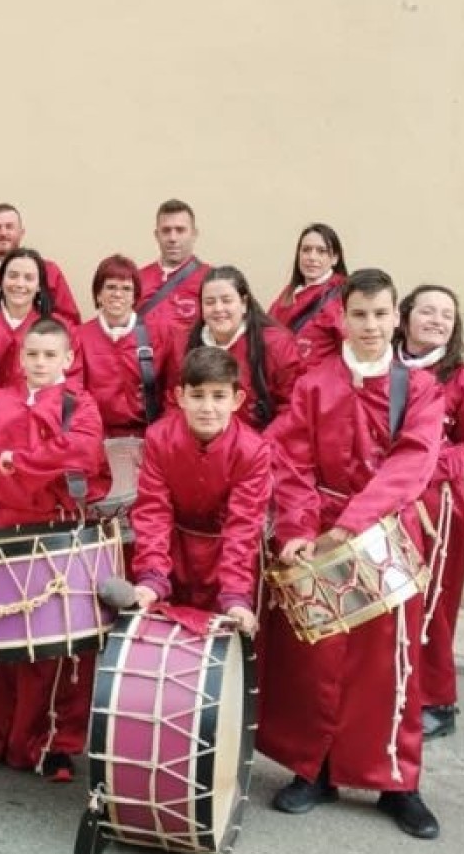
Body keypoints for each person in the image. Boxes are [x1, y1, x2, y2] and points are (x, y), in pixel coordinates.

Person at [260, 268, 445, 840]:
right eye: (358, 314)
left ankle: (397, 780)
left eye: (380, 314)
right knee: (318, 658)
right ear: (342, 316)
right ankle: (315, 770)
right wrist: (295, 526)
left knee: (390, 665)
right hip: (318, 534)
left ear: (397, 319)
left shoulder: (418, 389)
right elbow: (287, 459)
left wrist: (352, 523)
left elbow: (412, 462)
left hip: (382, 534)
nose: (369, 325)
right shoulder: (316, 385)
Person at [0, 318, 111, 781]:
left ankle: (55, 744)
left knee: (61, 648)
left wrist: (21, 462)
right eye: (32, 354)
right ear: (20, 358)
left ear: (68, 358)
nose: (40, 363)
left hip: (59, 536)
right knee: (0, 642)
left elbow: (79, 454)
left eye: (49, 355)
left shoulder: (81, 405)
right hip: (5, 532)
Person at [396, 284, 464, 740]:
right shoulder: (384, 365)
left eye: (447, 315)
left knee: (433, 605)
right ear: (405, 316)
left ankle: (438, 700)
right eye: (428, 311)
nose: (438, 320)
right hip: (386, 500)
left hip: (439, 509)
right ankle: (393, 691)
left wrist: (429, 467)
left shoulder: (461, 377)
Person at [130, 346, 270, 636]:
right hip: (173, 552)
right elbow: (152, 512)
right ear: (180, 397)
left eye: (219, 396)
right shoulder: (158, 438)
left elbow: (243, 527)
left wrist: (235, 595)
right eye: (197, 396)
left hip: (227, 557)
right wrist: (152, 576)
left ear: (237, 399)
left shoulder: (253, 450)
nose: (207, 408)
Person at [0, 247, 80, 442]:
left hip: (44, 433)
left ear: (40, 285)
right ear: (1, 282)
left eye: (29, 278)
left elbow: (73, 388)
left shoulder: (62, 330)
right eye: (13, 276)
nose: (19, 284)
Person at [177, 265, 301, 433]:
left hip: (261, 446)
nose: (218, 309)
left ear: (244, 304)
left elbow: (292, 408)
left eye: (226, 300)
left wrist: (258, 449)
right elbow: (174, 402)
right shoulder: (185, 344)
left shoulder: (276, 344)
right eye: (209, 302)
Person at [77, 254, 172, 438]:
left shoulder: (158, 335)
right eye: (110, 287)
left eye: (126, 288)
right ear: (98, 293)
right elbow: (75, 394)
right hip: (95, 435)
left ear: (135, 296)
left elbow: (172, 391)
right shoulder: (80, 337)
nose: (118, 294)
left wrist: (160, 435)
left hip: (148, 435)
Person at [0, 204, 81, 326]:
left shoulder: (48, 271)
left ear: (21, 232)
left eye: (9, 227)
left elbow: (71, 321)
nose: (3, 233)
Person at [268, 223, 348, 370]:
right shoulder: (289, 293)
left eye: (321, 251)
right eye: (306, 250)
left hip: (315, 388)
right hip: (280, 383)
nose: (312, 257)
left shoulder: (341, 297)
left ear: (335, 258)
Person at [137, 199, 210, 329]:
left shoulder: (212, 279)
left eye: (180, 230)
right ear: (156, 235)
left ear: (194, 234)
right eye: (166, 231)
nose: (172, 238)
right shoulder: (136, 280)